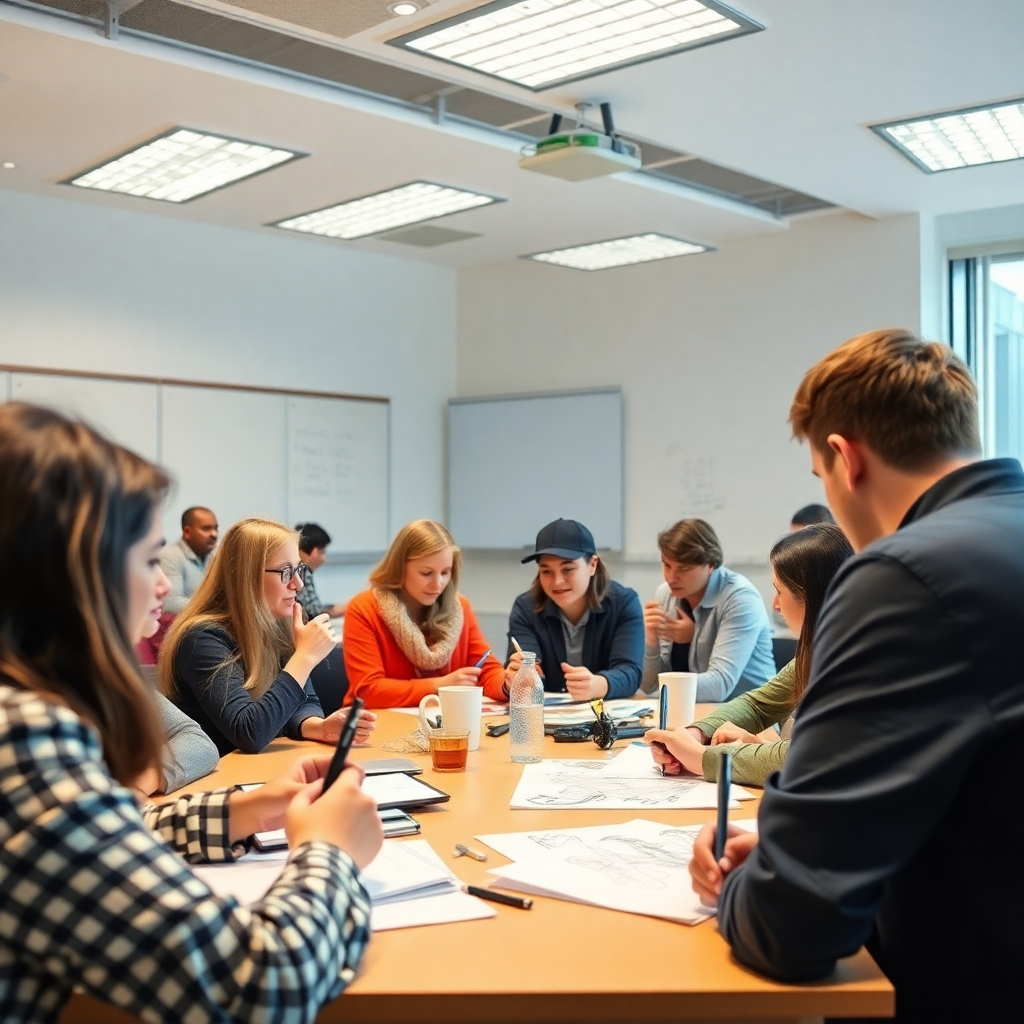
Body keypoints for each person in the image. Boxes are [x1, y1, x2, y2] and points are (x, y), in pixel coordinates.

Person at [0, 402, 383, 1022]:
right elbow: (260, 987)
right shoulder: (24, 738)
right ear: (75, 566)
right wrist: (331, 856)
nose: (161, 586)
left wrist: (242, 809)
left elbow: (102, 841)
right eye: (149, 559)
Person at [688, 329, 1024, 1024]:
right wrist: (801, 844)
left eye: (819, 480)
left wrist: (758, 881)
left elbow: (795, 926)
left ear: (844, 458)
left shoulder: (904, 575)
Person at [644, 523, 852, 786]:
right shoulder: (821, 650)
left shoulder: (852, 662)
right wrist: (695, 734)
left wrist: (703, 757)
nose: (775, 605)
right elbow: (757, 704)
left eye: (779, 591)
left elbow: (802, 756)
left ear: (808, 595)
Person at [162, 518, 375, 755]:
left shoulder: (276, 624)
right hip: (216, 779)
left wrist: (318, 727)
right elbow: (249, 733)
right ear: (246, 576)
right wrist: (304, 658)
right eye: (286, 571)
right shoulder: (202, 638)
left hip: (258, 773)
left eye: (298, 569)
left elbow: (304, 703)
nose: (298, 584)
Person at [343, 519, 505, 708]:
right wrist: (439, 685)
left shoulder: (460, 607)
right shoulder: (364, 608)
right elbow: (369, 691)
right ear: (399, 567)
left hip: (442, 725)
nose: (437, 585)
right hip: (375, 726)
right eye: (426, 573)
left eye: (445, 573)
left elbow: (487, 671)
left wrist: (509, 683)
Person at [504, 519, 643, 699]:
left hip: (605, 718)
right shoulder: (526, 608)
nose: (557, 581)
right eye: (546, 571)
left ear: (592, 565)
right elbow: (527, 667)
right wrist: (520, 676)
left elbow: (630, 671)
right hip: (548, 719)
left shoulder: (624, 603)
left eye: (568, 569)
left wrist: (598, 685)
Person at [640, 519, 774, 701]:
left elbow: (719, 686)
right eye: (667, 565)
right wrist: (651, 641)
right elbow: (649, 685)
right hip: (697, 710)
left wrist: (692, 637)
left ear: (710, 565)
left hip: (753, 715)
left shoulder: (741, 598)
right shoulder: (666, 593)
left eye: (684, 568)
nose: (671, 578)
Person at [160, 505, 219, 614]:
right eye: (206, 528)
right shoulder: (171, 556)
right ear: (187, 532)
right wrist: (214, 607)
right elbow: (170, 603)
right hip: (185, 628)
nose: (214, 534)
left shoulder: (215, 555)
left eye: (215, 528)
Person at [296, 522, 348, 619]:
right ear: (313, 551)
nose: (324, 559)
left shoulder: (300, 571)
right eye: (322, 552)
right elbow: (315, 614)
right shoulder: (303, 571)